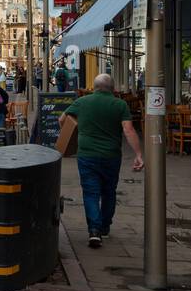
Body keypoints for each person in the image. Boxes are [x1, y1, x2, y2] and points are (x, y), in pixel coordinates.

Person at [61, 73, 144, 248]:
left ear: (94, 87)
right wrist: (138, 154)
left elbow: (63, 120)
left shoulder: (82, 102)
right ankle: (104, 226)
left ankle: (94, 230)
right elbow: (128, 130)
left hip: (86, 155)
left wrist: (75, 130)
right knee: (109, 192)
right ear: (113, 89)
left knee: (91, 192)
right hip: (111, 156)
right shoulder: (120, 104)